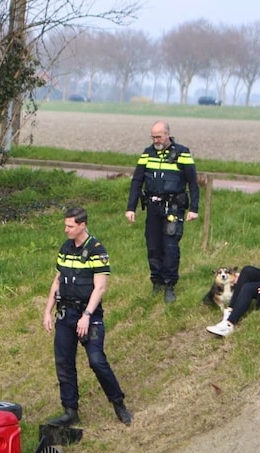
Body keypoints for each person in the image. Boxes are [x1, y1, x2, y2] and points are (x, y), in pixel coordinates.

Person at [42, 206, 132, 427]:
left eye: (70, 226)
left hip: (88, 315)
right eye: (65, 225)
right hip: (65, 314)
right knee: (64, 363)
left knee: (96, 360)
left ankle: (118, 402)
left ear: (82, 225)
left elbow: (100, 288)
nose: (66, 230)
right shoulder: (65, 248)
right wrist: (47, 311)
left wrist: (87, 315)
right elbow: (57, 281)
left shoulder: (97, 250)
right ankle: (70, 410)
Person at [126, 120, 200, 304]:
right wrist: (131, 207)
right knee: (153, 246)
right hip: (152, 207)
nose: (155, 140)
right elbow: (137, 181)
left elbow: (193, 182)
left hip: (173, 208)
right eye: (153, 137)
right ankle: (157, 282)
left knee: (170, 247)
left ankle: (169, 285)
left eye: (158, 136)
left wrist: (194, 209)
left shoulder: (182, 153)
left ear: (167, 134)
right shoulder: (147, 153)